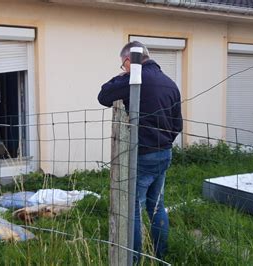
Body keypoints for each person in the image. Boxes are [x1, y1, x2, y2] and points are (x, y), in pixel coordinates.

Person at [98, 41, 182, 261]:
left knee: (133, 208)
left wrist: (124, 76)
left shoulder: (135, 80)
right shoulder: (170, 84)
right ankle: (160, 256)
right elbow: (177, 125)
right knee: (157, 206)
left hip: (142, 155)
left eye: (123, 66)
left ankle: (132, 260)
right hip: (164, 153)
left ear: (129, 61)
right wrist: (163, 143)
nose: (123, 70)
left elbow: (103, 95)